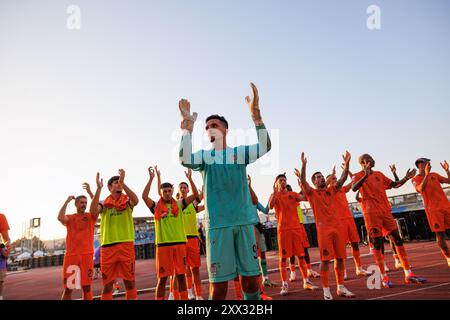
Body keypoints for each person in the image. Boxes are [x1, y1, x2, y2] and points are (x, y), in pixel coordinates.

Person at [178, 83, 271, 300]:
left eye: (215, 124)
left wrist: (257, 118)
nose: (210, 127)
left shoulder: (239, 152)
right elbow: (184, 158)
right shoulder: (204, 157)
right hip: (217, 227)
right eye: (207, 125)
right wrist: (187, 129)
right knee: (218, 288)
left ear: (225, 130)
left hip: (243, 223)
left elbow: (265, 146)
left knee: (250, 281)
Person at [352, 154, 426, 288]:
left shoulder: (379, 174)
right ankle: (384, 277)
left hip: (385, 211)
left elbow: (394, 185)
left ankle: (408, 273)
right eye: (370, 159)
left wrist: (405, 178)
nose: (373, 160)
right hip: (371, 213)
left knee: (397, 238)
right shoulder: (357, 175)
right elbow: (354, 188)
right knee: (378, 244)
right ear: (364, 162)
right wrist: (365, 175)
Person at [297, 151, 355, 300]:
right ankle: (326, 290)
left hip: (338, 228)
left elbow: (342, 179)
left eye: (321, 176)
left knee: (341, 258)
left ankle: (340, 287)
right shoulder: (311, 194)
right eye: (317, 177)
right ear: (314, 182)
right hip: (324, 230)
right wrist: (304, 165)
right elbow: (303, 181)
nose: (321, 178)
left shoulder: (331, 190)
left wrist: (347, 165)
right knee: (325, 260)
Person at [142, 166, 199, 300]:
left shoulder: (179, 204)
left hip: (179, 245)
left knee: (181, 277)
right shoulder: (156, 207)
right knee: (162, 279)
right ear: (161, 193)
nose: (167, 193)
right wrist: (151, 179)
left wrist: (190, 179)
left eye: (169, 191)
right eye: (165, 191)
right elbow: (144, 196)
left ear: (173, 191)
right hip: (163, 246)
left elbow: (196, 195)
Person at [269, 174, 318, 296]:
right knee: (283, 258)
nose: (283, 181)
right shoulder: (275, 195)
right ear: (276, 183)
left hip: (296, 229)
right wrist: (274, 192)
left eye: (285, 180)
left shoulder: (293, 194)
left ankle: (306, 281)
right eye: (280, 180)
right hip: (283, 230)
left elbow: (306, 198)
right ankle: (284, 284)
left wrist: (302, 184)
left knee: (301, 256)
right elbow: (270, 206)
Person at [93, 169, 139, 300]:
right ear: (109, 187)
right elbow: (93, 211)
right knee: (107, 285)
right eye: (116, 183)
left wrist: (124, 183)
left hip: (126, 245)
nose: (119, 184)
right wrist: (98, 189)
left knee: (129, 283)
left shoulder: (127, 200)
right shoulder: (103, 203)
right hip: (108, 247)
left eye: (120, 182)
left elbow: (136, 201)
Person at [57, 173, 102, 300]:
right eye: (81, 202)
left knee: (87, 287)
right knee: (69, 288)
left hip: (87, 255)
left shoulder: (91, 216)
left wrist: (92, 192)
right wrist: (66, 201)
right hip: (71, 256)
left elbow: (97, 207)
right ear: (76, 204)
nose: (84, 204)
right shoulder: (70, 218)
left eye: (85, 202)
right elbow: (60, 217)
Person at [326, 168, 370, 279]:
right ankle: (343, 270)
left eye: (336, 178)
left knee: (355, 243)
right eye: (333, 179)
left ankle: (358, 268)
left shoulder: (342, 189)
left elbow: (352, 183)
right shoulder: (328, 192)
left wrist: (349, 170)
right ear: (329, 183)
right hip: (339, 222)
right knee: (341, 247)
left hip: (349, 219)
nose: (336, 180)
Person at [412, 158, 450, 267]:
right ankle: (448, 257)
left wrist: (447, 171)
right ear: (420, 165)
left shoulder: (435, 174)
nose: (429, 164)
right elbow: (420, 189)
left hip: (446, 207)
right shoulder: (415, 179)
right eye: (426, 163)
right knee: (440, 234)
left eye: (429, 163)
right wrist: (427, 175)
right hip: (433, 210)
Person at [178, 170, 204, 300]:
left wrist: (190, 178)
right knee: (185, 269)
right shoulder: (177, 205)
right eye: (181, 187)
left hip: (193, 239)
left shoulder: (193, 204)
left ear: (188, 190)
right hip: (181, 240)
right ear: (179, 191)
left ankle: (199, 295)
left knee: (195, 269)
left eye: (185, 187)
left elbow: (200, 196)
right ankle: (189, 292)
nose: (183, 189)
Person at [285, 184, 320, 280]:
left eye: (291, 189)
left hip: (300, 226)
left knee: (305, 250)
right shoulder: (286, 202)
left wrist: (302, 182)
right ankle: (292, 272)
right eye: (288, 190)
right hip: (290, 227)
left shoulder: (295, 199)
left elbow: (301, 192)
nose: (290, 192)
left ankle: (309, 270)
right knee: (291, 252)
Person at [0, 213, 10, 300]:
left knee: (0, 281)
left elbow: (6, 239)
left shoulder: (1, 217)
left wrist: (4, 249)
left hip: (0, 256)